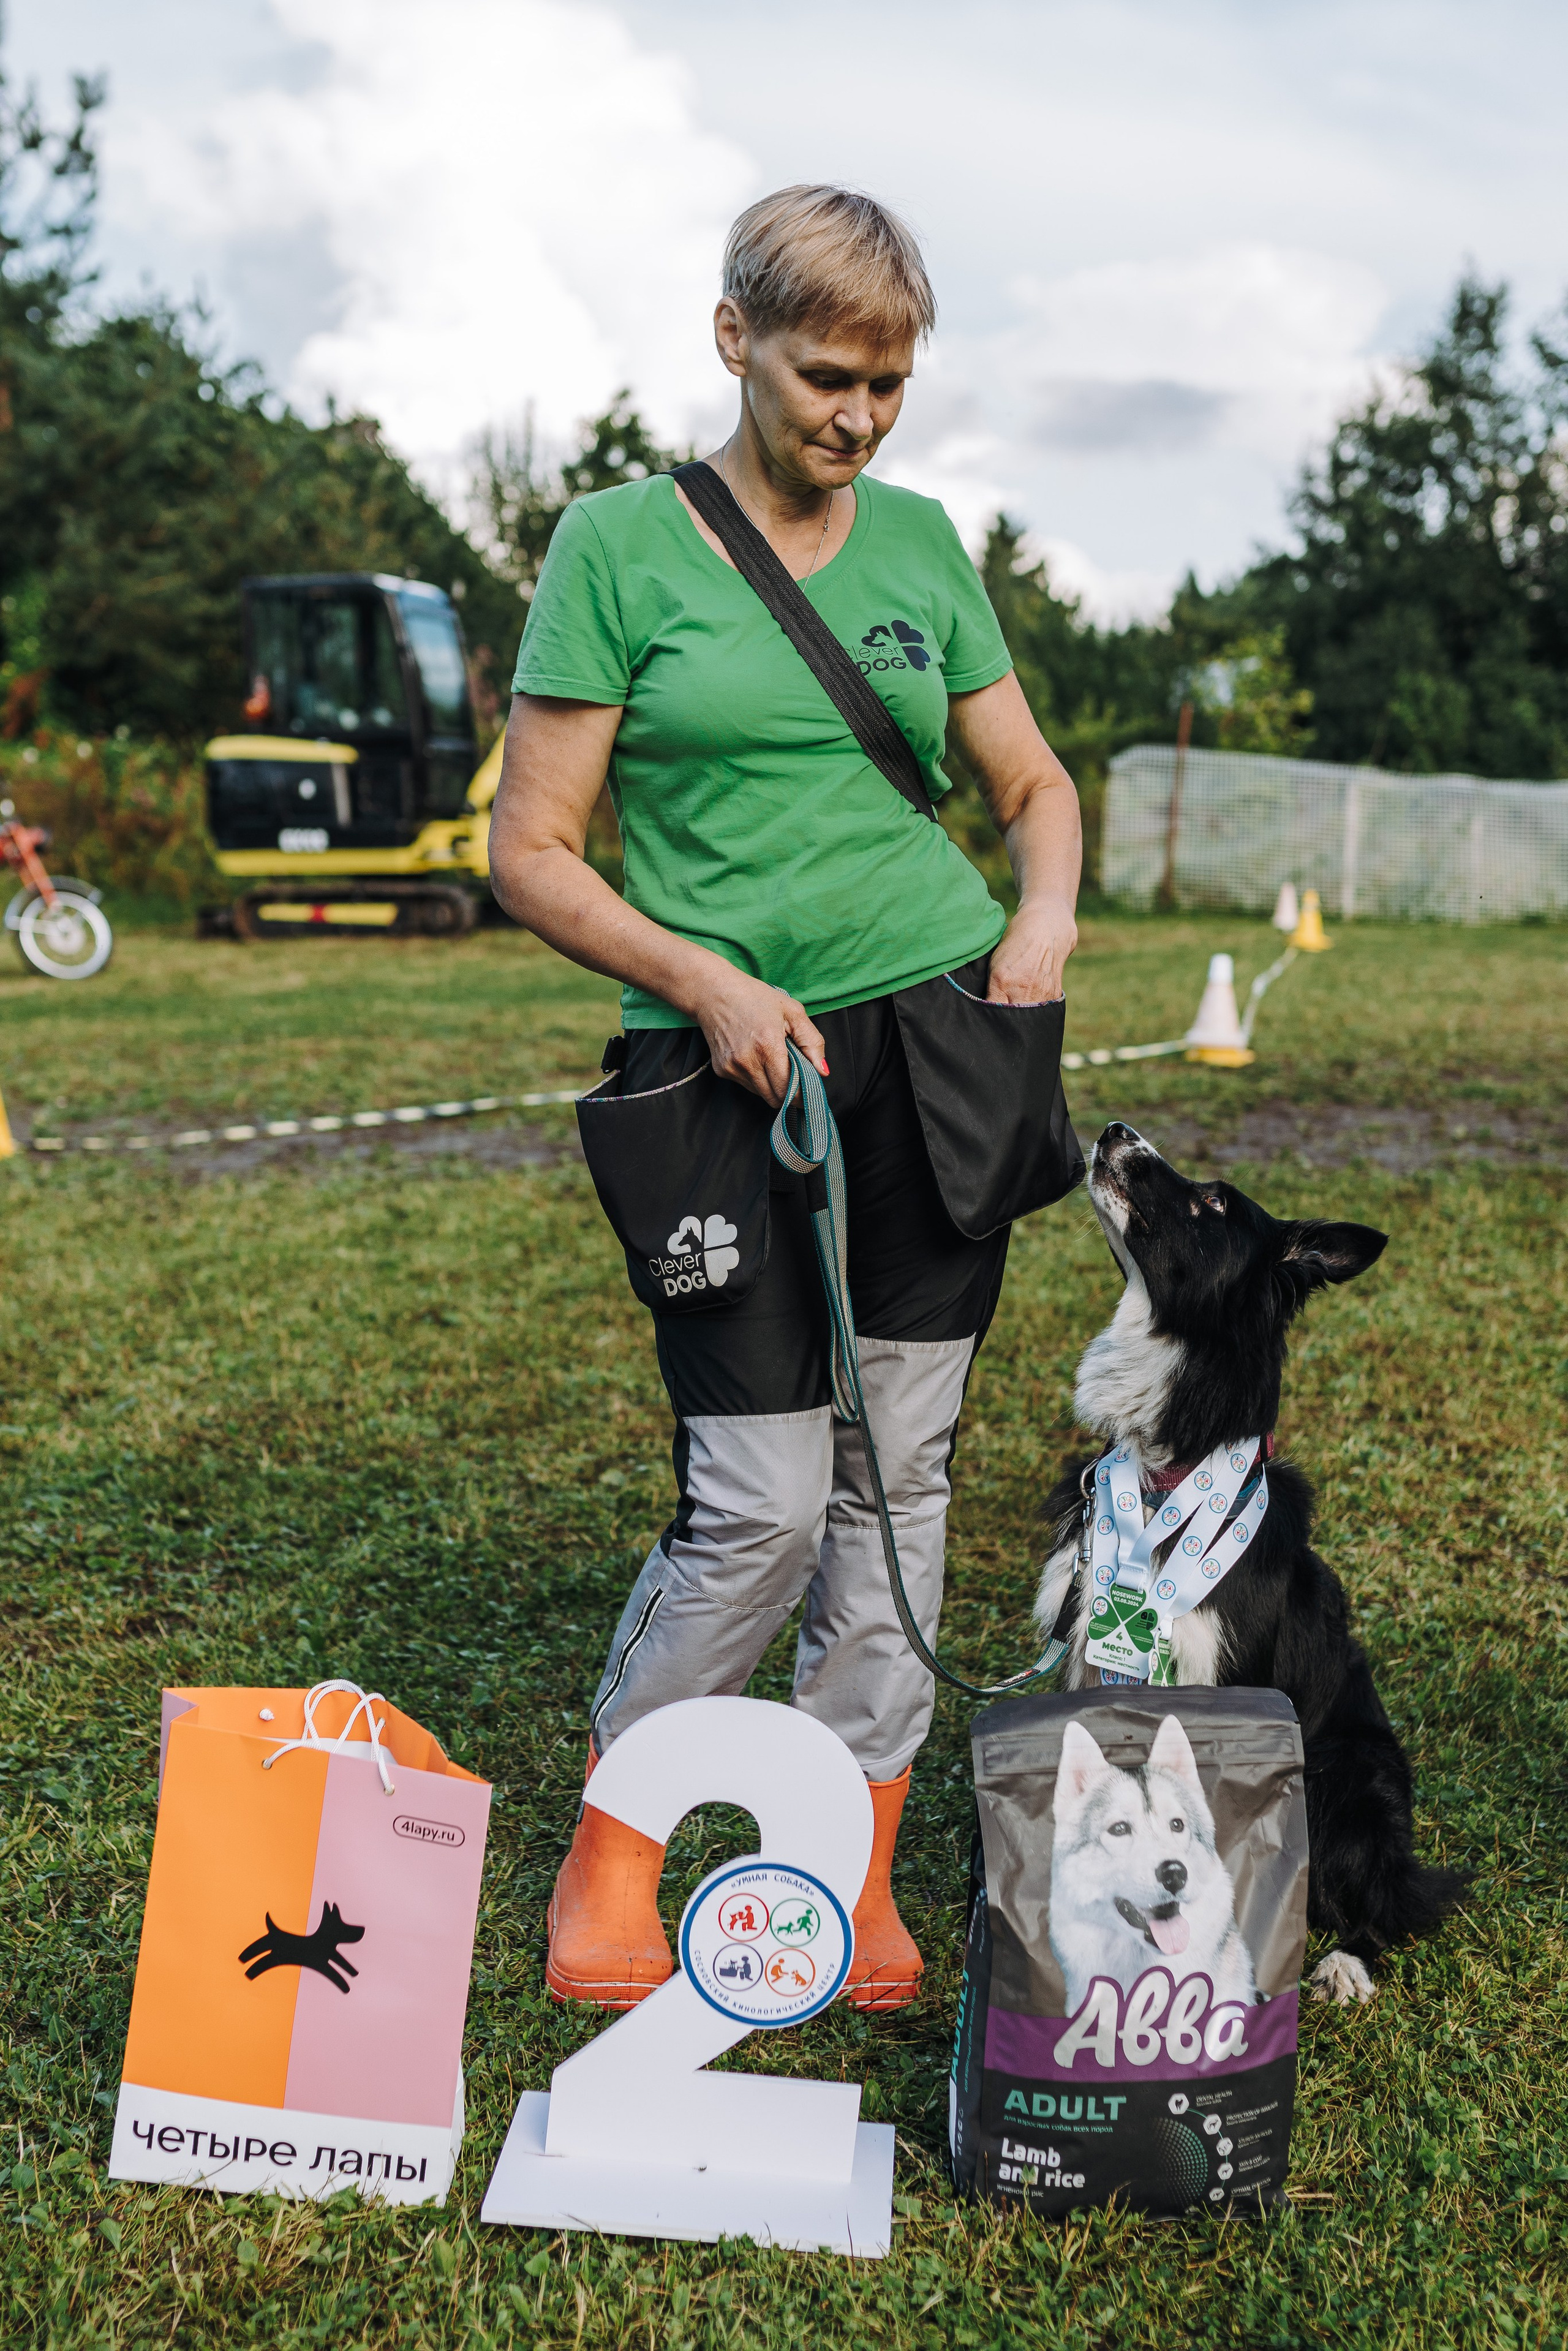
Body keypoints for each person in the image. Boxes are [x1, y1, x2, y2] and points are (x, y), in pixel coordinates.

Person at [488, 184, 1081, 2012]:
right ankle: (624, 1844)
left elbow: (1034, 789)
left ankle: (846, 1865)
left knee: (893, 1479)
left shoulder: (917, 545)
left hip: (937, 1048)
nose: (860, 419)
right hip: (726, 1064)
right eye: (831, 377)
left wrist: (1039, 927)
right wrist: (708, 981)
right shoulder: (616, 546)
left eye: (892, 387)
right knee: (753, 1499)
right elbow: (531, 850)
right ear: (735, 337)